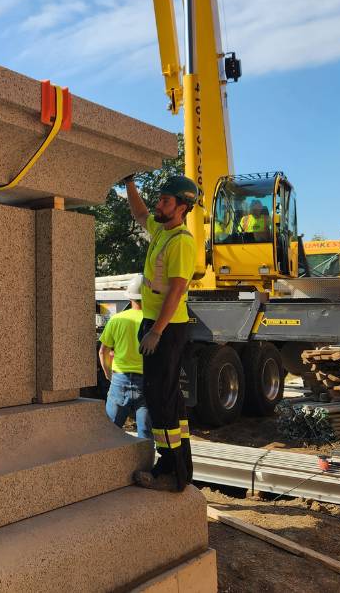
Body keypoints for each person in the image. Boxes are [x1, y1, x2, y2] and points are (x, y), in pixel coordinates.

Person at [123, 175, 198, 492]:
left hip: (165, 328)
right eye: (160, 199)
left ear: (182, 207)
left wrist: (155, 331)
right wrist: (129, 185)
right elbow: (140, 214)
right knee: (168, 398)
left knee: (159, 399)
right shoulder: (161, 231)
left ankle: (170, 473)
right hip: (158, 324)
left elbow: (177, 291)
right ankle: (181, 466)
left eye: (166, 201)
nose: (158, 205)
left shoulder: (181, 241)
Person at [98, 274, 151, 438]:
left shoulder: (116, 320)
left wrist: (108, 373)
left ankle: (109, 464)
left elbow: (103, 351)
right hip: (146, 382)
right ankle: (146, 463)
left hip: (119, 381)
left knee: (110, 432)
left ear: (129, 297)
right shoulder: (153, 322)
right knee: (145, 434)